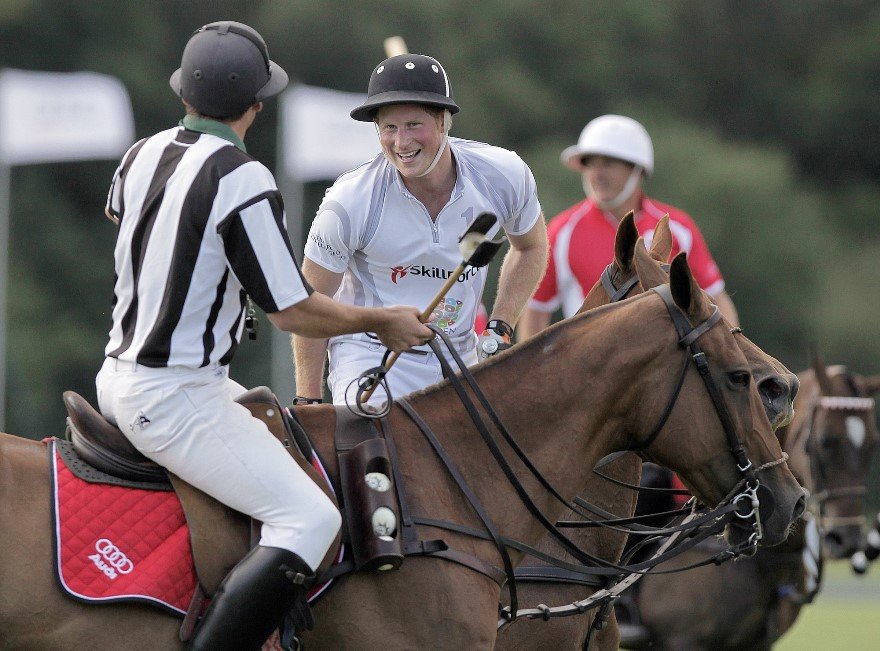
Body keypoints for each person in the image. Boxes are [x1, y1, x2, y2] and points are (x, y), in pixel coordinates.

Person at [95, 22, 432, 650]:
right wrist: (381, 320)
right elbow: (291, 309)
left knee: (278, 427)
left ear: (185, 96)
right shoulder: (241, 177)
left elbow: (122, 215)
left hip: (117, 377)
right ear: (256, 105)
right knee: (310, 519)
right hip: (174, 397)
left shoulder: (141, 153)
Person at [292, 53, 548, 407]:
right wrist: (308, 400)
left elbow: (531, 247)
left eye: (414, 125)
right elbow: (310, 306)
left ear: (443, 121)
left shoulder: (504, 175)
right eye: (389, 128)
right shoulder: (348, 203)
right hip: (370, 355)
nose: (401, 143)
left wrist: (501, 325)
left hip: (460, 357)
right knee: (377, 452)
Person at [517, 114, 739, 341]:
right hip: (590, 367)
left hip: (664, 368)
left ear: (637, 170)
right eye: (590, 163)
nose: (596, 174)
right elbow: (536, 309)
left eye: (608, 163)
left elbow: (716, 299)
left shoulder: (677, 226)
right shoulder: (562, 230)